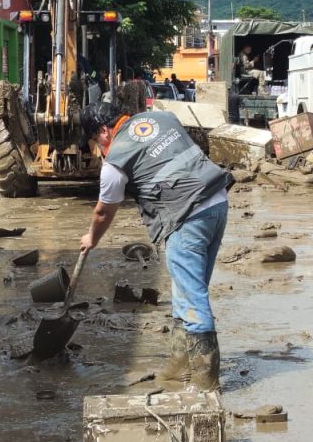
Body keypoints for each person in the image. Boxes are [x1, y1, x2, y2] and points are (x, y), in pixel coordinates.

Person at [79, 103, 232, 391]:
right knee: (186, 289)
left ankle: (205, 382)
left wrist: (92, 238)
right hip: (217, 201)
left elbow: (103, 212)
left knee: (192, 294)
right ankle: (178, 368)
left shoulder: (115, 161)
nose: (97, 151)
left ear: (103, 131)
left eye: (94, 144)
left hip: (186, 216)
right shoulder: (161, 117)